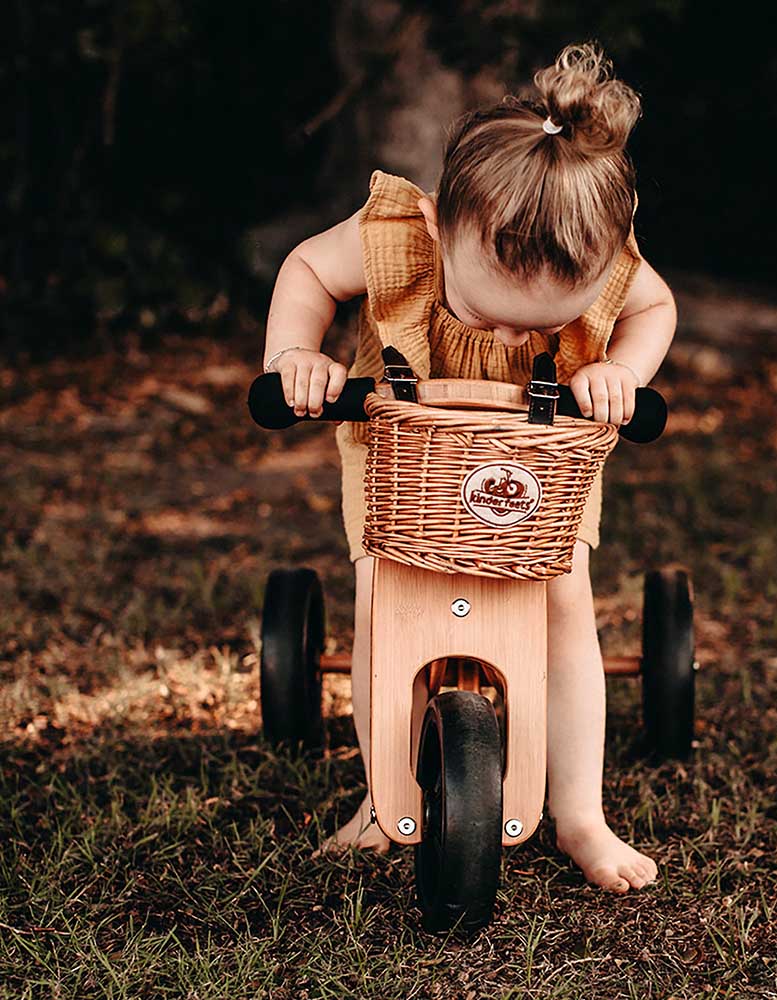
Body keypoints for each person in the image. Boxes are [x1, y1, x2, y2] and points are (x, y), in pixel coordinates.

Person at [262, 43, 677, 893]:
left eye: (544, 328)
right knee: (387, 602)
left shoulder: (600, 250)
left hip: (540, 463)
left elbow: (655, 306)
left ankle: (580, 814)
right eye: (488, 316)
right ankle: (385, 802)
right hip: (404, 459)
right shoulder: (396, 235)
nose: (516, 343)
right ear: (440, 229)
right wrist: (292, 355)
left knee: (564, 602)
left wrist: (622, 374)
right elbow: (306, 268)